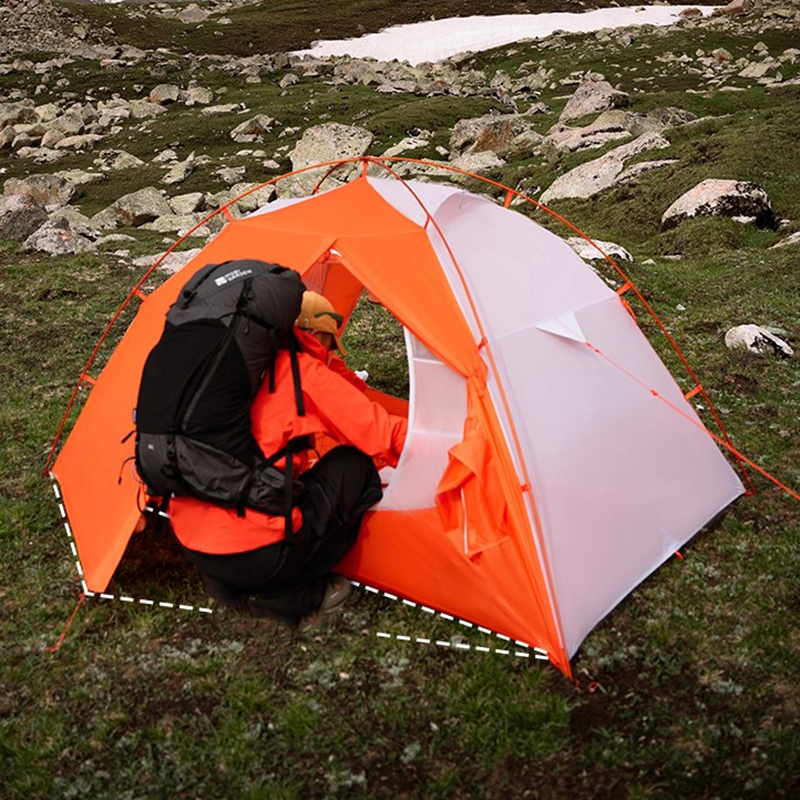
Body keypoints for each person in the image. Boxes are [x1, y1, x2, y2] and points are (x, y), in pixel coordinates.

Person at [168, 291, 408, 628]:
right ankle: (293, 594)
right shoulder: (303, 372)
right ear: (312, 334)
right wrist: (447, 445)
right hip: (256, 553)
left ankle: (223, 585)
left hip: (194, 539)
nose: (328, 353)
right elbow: (381, 435)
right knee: (353, 467)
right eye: (327, 342)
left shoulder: (226, 363)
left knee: (264, 474)